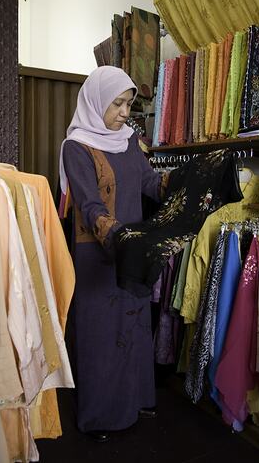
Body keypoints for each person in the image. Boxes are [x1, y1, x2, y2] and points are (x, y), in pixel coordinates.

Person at [59, 66, 167, 442]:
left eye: (128, 104)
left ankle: (136, 399)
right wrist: (117, 236)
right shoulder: (76, 147)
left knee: (134, 326)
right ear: (96, 101)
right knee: (101, 334)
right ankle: (100, 415)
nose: (125, 112)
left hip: (132, 248)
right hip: (98, 256)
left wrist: (182, 182)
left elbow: (150, 183)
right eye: (117, 103)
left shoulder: (130, 140)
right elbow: (88, 204)